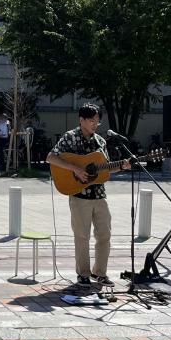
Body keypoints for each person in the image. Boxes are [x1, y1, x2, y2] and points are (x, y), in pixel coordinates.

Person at [47, 103, 128, 288]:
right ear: (81, 120)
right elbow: (51, 157)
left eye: (97, 121)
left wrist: (122, 165)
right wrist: (76, 168)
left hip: (99, 194)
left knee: (104, 235)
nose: (95, 124)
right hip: (78, 195)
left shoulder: (100, 141)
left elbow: (105, 168)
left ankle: (100, 273)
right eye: (92, 120)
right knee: (82, 236)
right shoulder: (70, 137)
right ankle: (83, 274)